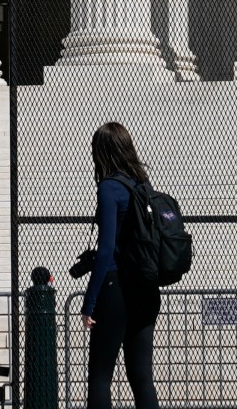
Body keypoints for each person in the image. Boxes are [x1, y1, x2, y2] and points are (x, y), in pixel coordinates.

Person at [83, 122, 161, 409]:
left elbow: (105, 252)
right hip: (146, 287)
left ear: (102, 152)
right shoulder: (142, 184)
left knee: (101, 376)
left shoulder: (109, 187)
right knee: (142, 376)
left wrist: (90, 302)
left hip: (116, 287)